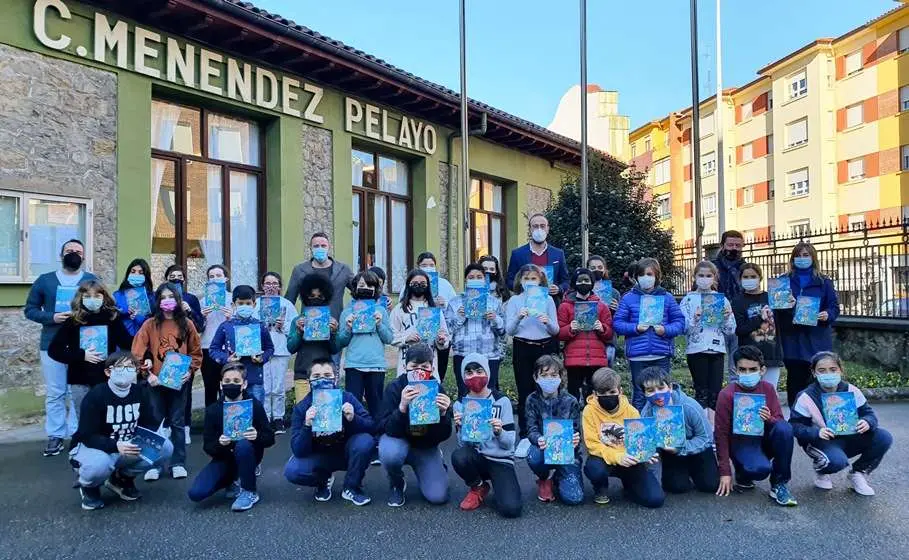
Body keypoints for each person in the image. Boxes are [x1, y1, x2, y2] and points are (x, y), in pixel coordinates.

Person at [68, 352, 171, 510]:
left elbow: (149, 422)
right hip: (94, 448)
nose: (126, 370)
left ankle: (121, 479)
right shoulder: (96, 396)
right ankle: (89, 486)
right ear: (108, 372)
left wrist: (137, 440)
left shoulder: (139, 392)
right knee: (98, 465)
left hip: (126, 444)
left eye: (130, 367)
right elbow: (87, 435)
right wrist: (115, 445)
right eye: (120, 366)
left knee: (164, 448)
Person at [24, 239, 97, 457]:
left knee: (78, 390)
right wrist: (52, 317)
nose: (73, 253)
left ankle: (78, 433)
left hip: (82, 346)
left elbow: (102, 305)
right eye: (69, 250)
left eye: (77, 251)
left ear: (83, 256)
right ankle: (55, 435)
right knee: (55, 392)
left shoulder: (91, 280)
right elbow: (30, 310)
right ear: (61, 254)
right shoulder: (45, 281)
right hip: (51, 344)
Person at [789, 351, 892, 496]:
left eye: (833, 369)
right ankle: (822, 470)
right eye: (822, 370)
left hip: (850, 437)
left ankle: (858, 473)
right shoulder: (806, 397)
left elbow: (869, 413)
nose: (828, 374)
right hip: (821, 441)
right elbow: (794, 426)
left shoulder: (852, 390)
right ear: (814, 373)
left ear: (840, 370)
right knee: (836, 462)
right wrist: (816, 432)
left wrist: (867, 422)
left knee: (884, 437)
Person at [131, 283, 203, 481]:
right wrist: (148, 375)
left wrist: (189, 372)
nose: (167, 300)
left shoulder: (187, 325)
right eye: (163, 297)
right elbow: (136, 353)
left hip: (179, 382)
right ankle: (153, 464)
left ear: (178, 300)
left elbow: (196, 353)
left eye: (171, 296)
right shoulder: (150, 324)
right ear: (158, 301)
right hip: (155, 382)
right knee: (155, 422)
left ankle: (178, 462)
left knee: (178, 422)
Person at [284, 358, 376, 506]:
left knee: (365, 441)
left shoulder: (346, 398)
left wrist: (353, 418)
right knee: (293, 471)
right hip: (319, 456)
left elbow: (372, 427)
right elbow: (298, 449)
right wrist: (307, 425)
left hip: (346, 453)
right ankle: (323, 480)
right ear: (309, 380)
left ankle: (352, 487)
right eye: (316, 376)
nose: (322, 380)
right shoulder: (302, 408)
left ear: (335, 378)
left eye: (327, 376)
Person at [715, 346, 798, 506]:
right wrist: (725, 472)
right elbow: (721, 434)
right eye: (743, 369)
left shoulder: (767, 389)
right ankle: (742, 471)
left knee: (785, 428)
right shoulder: (727, 394)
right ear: (735, 370)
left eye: (752, 369)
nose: (747, 374)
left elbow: (780, 422)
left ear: (762, 370)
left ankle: (779, 483)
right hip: (741, 443)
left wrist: (769, 419)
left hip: (763, 440)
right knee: (758, 470)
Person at [188, 362, 275, 511]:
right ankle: (231, 479)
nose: (231, 385)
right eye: (227, 381)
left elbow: (270, 437)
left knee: (243, 444)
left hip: (249, 453)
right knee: (196, 493)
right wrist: (220, 443)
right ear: (221, 384)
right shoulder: (213, 410)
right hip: (224, 458)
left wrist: (257, 436)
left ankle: (249, 491)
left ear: (244, 384)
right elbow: (207, 446)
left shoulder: (254, 405)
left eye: (236, 381)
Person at [376, 343, 453, 507]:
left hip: (425, 446)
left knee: (438, 496)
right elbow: (385, 428)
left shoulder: (437, 389)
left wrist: (444, 414)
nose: (419, 371)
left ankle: (436, 462)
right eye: (414, 366)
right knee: (389, 453)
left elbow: (445, 434)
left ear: (432, 368)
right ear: (405, 366)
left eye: (424, 366)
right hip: (399, 442)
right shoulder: (395, 388)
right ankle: (396, 482)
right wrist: (402, 408)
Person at [48, 280, 133, 421]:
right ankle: (83, 442)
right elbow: (54, 350)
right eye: (87, 296)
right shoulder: (74, 321)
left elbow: (127, 343)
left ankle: (107, 443)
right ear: (80, 298)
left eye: (97, 296)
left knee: (106, 418)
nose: (92, 300)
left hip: (106, 378)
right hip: (79, 378)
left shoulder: (112, 319)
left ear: (104, 297)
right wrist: (82, 355)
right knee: (84, 418)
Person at [451, 353, 522, 518]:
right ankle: (478, 486)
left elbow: (509, 444)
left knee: (511, 509)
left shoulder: (501, 401)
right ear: (463, 376)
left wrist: (499, 431)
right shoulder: (460, 404)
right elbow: (463, 447)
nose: (474, 376)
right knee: (459, 457)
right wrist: (461, 428)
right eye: (469, 372)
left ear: (488, 373)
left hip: (500, 460)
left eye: (478, 370)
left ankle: (501, 484)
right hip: (477, 458)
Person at [582, 367, 664, 508]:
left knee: (655, 500)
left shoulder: (631, 411)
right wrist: (618, 456)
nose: (608, 396)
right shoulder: (589, 411)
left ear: (620, 391)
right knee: (594, 468)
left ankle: (629, 486)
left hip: (629, 460)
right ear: (595, 394)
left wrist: (645, 453)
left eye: (612, 392)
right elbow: (592, 445)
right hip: (604, 460)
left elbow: (639, 441)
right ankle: (600, 487)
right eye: (602, 393)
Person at [612, 258, 685, 411]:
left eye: (650, 274)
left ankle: (664, 424)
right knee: (640, 393)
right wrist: (635, 328)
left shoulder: (667, 297)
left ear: (657, 276)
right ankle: (639, 427)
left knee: (662, 393)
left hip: (661, 354)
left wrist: (665, 330)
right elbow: (618, 323)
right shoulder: (628, 298)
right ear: (636, 277)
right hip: (638, 355)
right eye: (642, 274)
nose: (646, 278)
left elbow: (679, 322)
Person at [774, 242, 840, 407]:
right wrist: (787, 305)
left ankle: (819, 420)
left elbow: (834, 307)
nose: (802, 259)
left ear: (813, 258)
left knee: (818, 382)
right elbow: (777, 310)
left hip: (817, 338)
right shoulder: (783, 281)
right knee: (795, 382)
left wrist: (828, 314)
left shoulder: (824, 281)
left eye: (806, 255)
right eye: (798, 255)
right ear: (792, 258)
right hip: (792, 339)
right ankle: (796, 420)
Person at [504, 264, 559, 458]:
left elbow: (556, 330)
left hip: (544, 347)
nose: (530, 282)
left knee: (548, 389)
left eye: (534, 278)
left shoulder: (549, 300)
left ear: (541, 281)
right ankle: (526, 435)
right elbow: (509, 330)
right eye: (526, 278)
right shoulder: (515, 300)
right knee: (525, 391)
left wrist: (547, 321)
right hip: (523, 347)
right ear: (520, 281)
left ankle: (551, 432)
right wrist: (519, 316)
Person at [639, 367, 719, 494]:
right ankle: (679, 473)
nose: (657, 394)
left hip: (697, 447)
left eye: (661, 388)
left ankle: (696, 470)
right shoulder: (647, 413)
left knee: (710, 485)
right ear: (644, 393)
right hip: (671, 453)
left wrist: (681, 448)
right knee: (677, 487)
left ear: (670, 387)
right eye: (650, 390)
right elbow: (649, 447)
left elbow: (706, 438)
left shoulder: (689, 406)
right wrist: (654, 483)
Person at [679, 260, 736, 423]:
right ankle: (702, 425)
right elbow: (684, 329)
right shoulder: (688, 300)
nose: (705, 278)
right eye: (701, 275)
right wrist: (695, 319)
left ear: (715, 277)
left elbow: (731, 330)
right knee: (701, 391)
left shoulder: (722, 300)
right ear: (695, 277)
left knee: (715, 392)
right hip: (696, 350)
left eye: (708, 275)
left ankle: (713, 426)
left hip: (717, 351)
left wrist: (726, 317)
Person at [524, 355, 583, 505]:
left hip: (567, 454)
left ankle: (558, 476)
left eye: (553, 375)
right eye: (543, 375)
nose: (549, 379)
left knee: (574, 499)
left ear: (560, 376)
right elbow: (531, 429)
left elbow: (576, 431)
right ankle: (545, 478)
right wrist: (538, 439)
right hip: (543, 448)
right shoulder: (532, 400)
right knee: (533, 456)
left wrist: (576, 439)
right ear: (535, 378)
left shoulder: (571, 401)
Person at [337, 270, 394, 415]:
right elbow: (340, 342)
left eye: (370, 285)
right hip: (354, 365)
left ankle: (378, 435)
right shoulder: (347, 312)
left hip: (376, 366)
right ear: (354, 288)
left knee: (376, 407)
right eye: (362, 285)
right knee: (352, 407)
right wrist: (348, 328)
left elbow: (389, 338)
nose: (366, 288)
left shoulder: (381, 310)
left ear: (376, 289)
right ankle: (354, 436)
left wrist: (379, 324)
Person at [445, 264, 506, 398]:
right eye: (471, 277)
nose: (475, 279)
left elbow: (503, 332)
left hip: (489, 355)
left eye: (479, 277)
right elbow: (447, 330)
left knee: (489, 395)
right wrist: (460, 317)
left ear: (485, 280)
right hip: (463, 355)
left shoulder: (494, 302)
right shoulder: (455, 302)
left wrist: (495, 318)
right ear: (466, 281)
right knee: (465, 395)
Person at [209, 285, 275, 405]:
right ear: (233, 305)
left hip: (254, 377)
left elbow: (270, 349)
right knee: (232, 410)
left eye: (248, 303)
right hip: (232, 379)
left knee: (256, 410)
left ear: (254, 305)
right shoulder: (225, 326)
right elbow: (213, 350)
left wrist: (261, 358)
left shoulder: (260, 326)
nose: (244, 306)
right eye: (240, 303)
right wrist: (227, 359)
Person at [397, 252, 458, 379]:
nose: (428, 267)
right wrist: (406, 338)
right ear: (418, 266)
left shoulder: (445, 284)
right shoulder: (402, 303)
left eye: (431, 264)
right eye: (424, 265)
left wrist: (444, 304)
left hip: (432, 347)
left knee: (435, 377)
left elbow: (455, 306)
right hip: (407, 352)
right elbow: (398, 317)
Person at [557, 268, 613, 401]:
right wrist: (570, 329)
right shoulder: (565, 306)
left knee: (594, 395)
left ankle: (592, 421)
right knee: (573, 394)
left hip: (596, 358)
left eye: (587, 280)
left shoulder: (601, 306)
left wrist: (602, 328)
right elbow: (559, 332)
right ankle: (575, 421)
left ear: (592, 283)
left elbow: (610, 333)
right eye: (579, 280)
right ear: (574, 283)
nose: (583, 283)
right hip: (574, 359)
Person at [165, 264, 205, 444]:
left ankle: (185, 428)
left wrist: (189, 310)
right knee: (165, 391)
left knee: (185, 391)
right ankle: (166, 428)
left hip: (186, 350)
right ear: (166, 279)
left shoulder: (191, 298)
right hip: (164, 351)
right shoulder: (161, 297)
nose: (176, 279)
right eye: (172, 276)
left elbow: (200, 325)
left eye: (179, 276)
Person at [255, 271, 298, 433]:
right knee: (265, 386)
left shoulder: (287, 304)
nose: (271, 287)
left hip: (280, 349)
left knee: (279, 386)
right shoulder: (256, 304)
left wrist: (282, 326)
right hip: (261, 351)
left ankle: (278, 418)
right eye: (268, 284)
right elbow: (250, 329)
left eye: (274, 284)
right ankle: (266, 418)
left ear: (280, 287)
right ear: (262, 286)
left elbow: (295, 330)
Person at [287, 273, 339, 405]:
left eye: (320, 296)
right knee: (303, 413)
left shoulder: (330, 320)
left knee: (325, 412)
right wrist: (299, 332)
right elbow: (290, 348)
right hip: (303, 375)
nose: (315, 299)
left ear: (326, 297)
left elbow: (335, 349)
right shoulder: (298, 321)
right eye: (312, 296)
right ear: (305, 297)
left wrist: (333, 333)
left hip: (324, 374)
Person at [732, 263, 784, 389]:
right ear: (740, 279)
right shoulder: (738, 301)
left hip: (771, 354)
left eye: (753, 276)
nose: (749, 280)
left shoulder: (771, 297)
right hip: (748, 357)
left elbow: (783, 321)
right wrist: (759, 318)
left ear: (760, 278)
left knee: (770, 392)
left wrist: (789, 306)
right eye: (746, 277)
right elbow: (740, 329)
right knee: (749, 391)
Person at [390, 269, 450, 377]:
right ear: (409, 285)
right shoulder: (399, 309)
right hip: (406, 363)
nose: (419, 286)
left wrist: (441, 340)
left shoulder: (433, 309)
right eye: (415, 283)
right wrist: (406, 338)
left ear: (428, 286)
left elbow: (444, 335)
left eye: (423, 284)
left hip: (429, 363)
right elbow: (391, 335)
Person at [285, 232, 354, 321]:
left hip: (335, 323)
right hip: (309, 323)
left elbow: (358, 291)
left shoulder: (343, 269)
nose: (320, 248)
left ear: (329, 247)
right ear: (310, 248)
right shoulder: (299, 270)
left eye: (323, 246)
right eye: (316, 246)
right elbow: (290, 298)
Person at [505, 213, 569, 298]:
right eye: (535, 226)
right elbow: (509, 281)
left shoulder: (558, 254)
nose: (539, 229)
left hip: (551, 303)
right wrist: (523, 288)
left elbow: (566, 281)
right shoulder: (518, 254)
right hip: (525, 304)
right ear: (530, 229)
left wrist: (559, 288)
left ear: (547, 229)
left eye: (542, 226)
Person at [712, 231, 746, 378]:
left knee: (737, 363)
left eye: (738, 245)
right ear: (722, 245)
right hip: (716, 320)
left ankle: (735, 394)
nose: (734, 248)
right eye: (730, 244)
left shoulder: (746, 267)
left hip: (740, 319)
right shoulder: (712, 267)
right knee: (716, 363)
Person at [199, 265, 233, 407]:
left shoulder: (233, 300)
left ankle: (228, 422)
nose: (215, 279)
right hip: (208, 347)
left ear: (226, 278)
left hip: (229, 348)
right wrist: (203, 317)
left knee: (229, 387)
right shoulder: (202, 301)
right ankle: (211, 423)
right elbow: (197, 328)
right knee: (210, 387)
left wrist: (231, 317)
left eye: (218, 275)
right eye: (211, 277)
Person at [112, 258, 155, 338]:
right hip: (121, 341)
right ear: (128, 274)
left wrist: (139, 316)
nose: (136, 275)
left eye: (141, 272)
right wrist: (124, 313)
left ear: (146, 276)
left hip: (144, 341)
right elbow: (112, 316)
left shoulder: (152, 296)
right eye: (133, 271)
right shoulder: (117, 295)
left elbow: (154, 321)